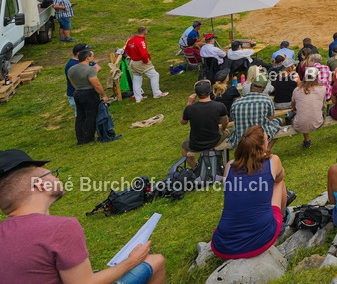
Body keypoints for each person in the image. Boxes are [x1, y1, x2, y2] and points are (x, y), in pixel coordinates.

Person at [0, 149, 166, 282]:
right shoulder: (61, 228)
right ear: (40, 184)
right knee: (156, 261)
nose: (57, 178)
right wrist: (131, 261)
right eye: (52, 173)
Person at [211, 126, 290, 259]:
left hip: (223, 245)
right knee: (278, 183)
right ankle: (281, 220)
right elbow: (280, 178)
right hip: (259, 241)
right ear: (263, 145)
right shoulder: (273, 161)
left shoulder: (229, 166)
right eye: (267, 139)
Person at [180, 80, 229, 168]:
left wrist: (189, 103)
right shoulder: (219, 105)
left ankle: (195, 169)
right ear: (210, 91)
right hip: (215, 140)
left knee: (184, 147)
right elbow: (225, 121)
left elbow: (182, 122)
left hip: (196, 143)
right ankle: (218, 161)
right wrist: (223, 129)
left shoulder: (190, 109)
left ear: (196, 94)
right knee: (227, 133)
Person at [228, 73, 281, 149]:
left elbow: (233, 118)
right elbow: (271, 119)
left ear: (251, 86)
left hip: (240, 140)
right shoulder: (267, 100)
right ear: (263, 89)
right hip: (259, 138)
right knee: (278, 121)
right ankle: (267, 149)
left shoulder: (236, 103)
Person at [68, 47, 108, 145]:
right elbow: (96, 84)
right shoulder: (90, 70)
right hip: (89, 93)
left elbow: (72, 82)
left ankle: (80, 138)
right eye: (92, 56)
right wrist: (103, 95)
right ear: (87, 58)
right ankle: (88, 138)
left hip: (77, 93)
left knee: (80, 116)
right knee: (91, 115)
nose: (93, 58)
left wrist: (79, 87)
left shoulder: (71, 69)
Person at [125, 26, 168, 102]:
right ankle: (157, 93)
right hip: (140, 62)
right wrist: (145, 61)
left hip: (132, 62)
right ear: (145, 32)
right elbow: (143, 54)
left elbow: (126, 50)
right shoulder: (141, 41)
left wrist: (133, 57)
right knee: (154, 75)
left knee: (136, 79)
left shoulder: (131, 40)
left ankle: (138, 98)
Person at [291, 66, 326, 149]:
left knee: (302, 113)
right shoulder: (322, 89)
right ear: (316, 77)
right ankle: (306, 139)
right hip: (317, 121)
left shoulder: (296, 90)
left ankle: (306, 139)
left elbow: (293, 106)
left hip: (299, 124)